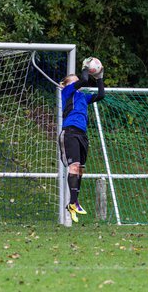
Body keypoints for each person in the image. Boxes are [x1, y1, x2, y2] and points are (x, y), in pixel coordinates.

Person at [59, 58, 105, 222]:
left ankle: (74, 202)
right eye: (75, 80)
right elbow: (85, 79)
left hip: (82, 134)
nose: (79, 81)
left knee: (80, 169)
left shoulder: (83, 97)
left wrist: (100, 77)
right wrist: (86, 68)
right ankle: (72, 202)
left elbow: (101, 95)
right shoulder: (67, 92)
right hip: (70, 132)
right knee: (74, 166)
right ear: (66, 84)